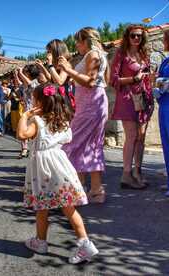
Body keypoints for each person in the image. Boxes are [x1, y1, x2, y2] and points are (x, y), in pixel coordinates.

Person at [17, 83, 98, 264]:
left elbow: (22, 134)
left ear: (40, 102)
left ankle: (46, 242)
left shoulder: (37, 122)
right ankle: (78, 242)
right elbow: (66, 138)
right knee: (68, 207)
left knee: (42, 206)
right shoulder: (63, 121)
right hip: (60, 166)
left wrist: (25, 115)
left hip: (43, 169)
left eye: (34, 99)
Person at [58, 27, 109, 203]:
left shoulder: (93, 55)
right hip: (94, 103)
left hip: (90, 104)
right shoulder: (100, 55)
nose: (76, 45)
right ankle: (96, 191)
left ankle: (77, 192)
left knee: (73, 144)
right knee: (92, 146)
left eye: (78, 41)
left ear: (86, 40)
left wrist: (68, 69)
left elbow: (90, 81)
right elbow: (103, 82)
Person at [111, 25, 154, 189]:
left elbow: (146, 77)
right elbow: (113, 80)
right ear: (127, 37)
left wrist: (150, 79)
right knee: (132, 136)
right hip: (127, 99)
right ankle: (126, 175)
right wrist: (133, 79)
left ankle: (137, 172)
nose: (137, 38)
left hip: (144, 99)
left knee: (141, 137)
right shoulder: (121, 54)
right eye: (133, 36)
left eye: (140, 36)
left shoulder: (144, 55)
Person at [154, 29, 169, 196]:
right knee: (166, 144)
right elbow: (158, 80)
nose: (164, 42)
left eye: (165, 39)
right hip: (164, 104)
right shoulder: (165, 62)